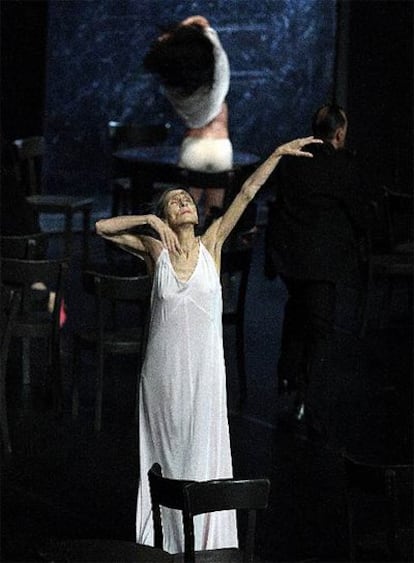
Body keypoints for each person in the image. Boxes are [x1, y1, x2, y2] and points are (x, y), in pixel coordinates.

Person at [96, 135, 321, 553]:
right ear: (166, 214)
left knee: (200, 457)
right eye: (176, 201)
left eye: (188, 200)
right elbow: (101, 228)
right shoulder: (155, 251)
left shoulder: (212, 244)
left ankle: (202, 546)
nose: (185, 204)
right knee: (162, 460)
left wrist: (275, 155)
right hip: (161, 378)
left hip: (204, 376)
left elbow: (249, 190)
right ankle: (161, 544)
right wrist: (149, 221)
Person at [265, 104, 369, 449]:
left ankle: (289, 378)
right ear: (338, 133)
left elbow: (276, 202)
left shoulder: (294, 159)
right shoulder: (342, 165)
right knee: (320, 329)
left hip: (290, 257)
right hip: (321, 261)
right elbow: (358, 211)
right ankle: (311, 404)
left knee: (298, 312)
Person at [144, 15, 232, 227]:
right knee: (215, 218)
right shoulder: (218, 81)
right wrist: (187, 29)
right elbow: (206, 29)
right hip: (220, 149)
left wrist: (175, 35)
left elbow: (161, 52)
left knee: (185, 219)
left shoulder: (174, 89)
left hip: (193, 147)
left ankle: (183, 257)